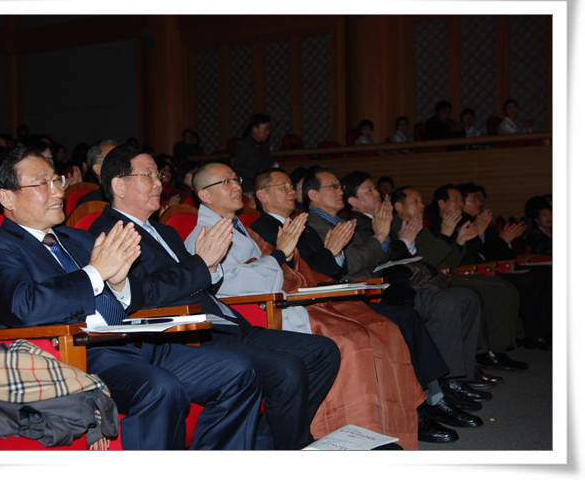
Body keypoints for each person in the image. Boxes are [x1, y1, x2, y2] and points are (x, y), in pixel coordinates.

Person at [0, 146, 263, 450]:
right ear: (7, 198)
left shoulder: (78, 239)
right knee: (161, 388)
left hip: (136, 341)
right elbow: (23, 307)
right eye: (42, 184)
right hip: (78, 353)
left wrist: (120, 285)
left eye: (57, 180)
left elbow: (129, 298)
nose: (58, 191)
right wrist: (95, 273)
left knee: (241, 371)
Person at [88, 143, 340, 450]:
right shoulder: (109, 233)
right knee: (287, 369)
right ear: (119, 185)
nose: (158, 183)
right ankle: (290, 449)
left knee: (323, 351)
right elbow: (142, 294)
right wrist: (201, 264)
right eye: (148, 175)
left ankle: (268, 437)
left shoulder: (165, 232)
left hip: (225, 322)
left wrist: (210, 267)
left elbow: (199, 280)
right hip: (190, 335)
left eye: (158, 175)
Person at [184, 163, 423, 448]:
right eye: (226, 182)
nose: (237, 186)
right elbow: (233, 284)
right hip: (258, 312)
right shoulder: (203, 235)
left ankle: (372, 427)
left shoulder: (240, 229)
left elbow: (274, 270)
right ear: (205, 195)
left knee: (374, 329)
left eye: (236, 179)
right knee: (351, 339)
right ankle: (342, 427)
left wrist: (285, 258)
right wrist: (280, 255)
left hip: (282, 300)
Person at [249, 168, 477, 444]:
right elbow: (293, 275)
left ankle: (422, 401)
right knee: (389, 322)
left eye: (290, 185)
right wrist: (331, 252)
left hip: (328, 293)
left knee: (399, 318)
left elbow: (324, 268)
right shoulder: (261, 229)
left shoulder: (301, 224)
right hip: (305, 303)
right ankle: (412, 407)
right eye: (282, 186)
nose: (290, 191)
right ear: (262, 195)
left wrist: (332, 254)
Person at [305, 169, 485, 408]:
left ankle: (447, 384)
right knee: (429, 308)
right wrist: (381, 237)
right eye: (333, 186)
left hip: (381, 284)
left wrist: (385, 241)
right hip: (357, 292)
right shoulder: (314, 225)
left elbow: (375, 257)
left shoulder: (344, 222)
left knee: (463, 297)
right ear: (313, 195)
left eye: (340, 185)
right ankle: (435, 393)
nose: (340, 191)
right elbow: (350, 262)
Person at [424, 185, 529, 369]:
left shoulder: (467, 221)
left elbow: (485, 253)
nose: (460, 203)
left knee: (508, 288)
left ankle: (501, 345)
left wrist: (484, 236)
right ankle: (492, 351)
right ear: (442, 204)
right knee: (498, 291)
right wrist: (476, 236)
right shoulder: (436, 226)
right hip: (451, 274)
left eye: (461, 199)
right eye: (455, 199)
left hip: (472, 270)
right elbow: (453, 259)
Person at [232, 113, 273, 196]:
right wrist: (257, 173)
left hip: (263, 186)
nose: (268, 132)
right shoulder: (243, 145)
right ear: (255, 129)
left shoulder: (265, 145)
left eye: (269, 129)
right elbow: (237, 168)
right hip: (248, 188)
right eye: (265, 129)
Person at [76, 139, 120, 206]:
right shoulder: (89, 203)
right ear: (98, 169)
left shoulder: (132, 195)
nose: (122, 164)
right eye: (113, 159)